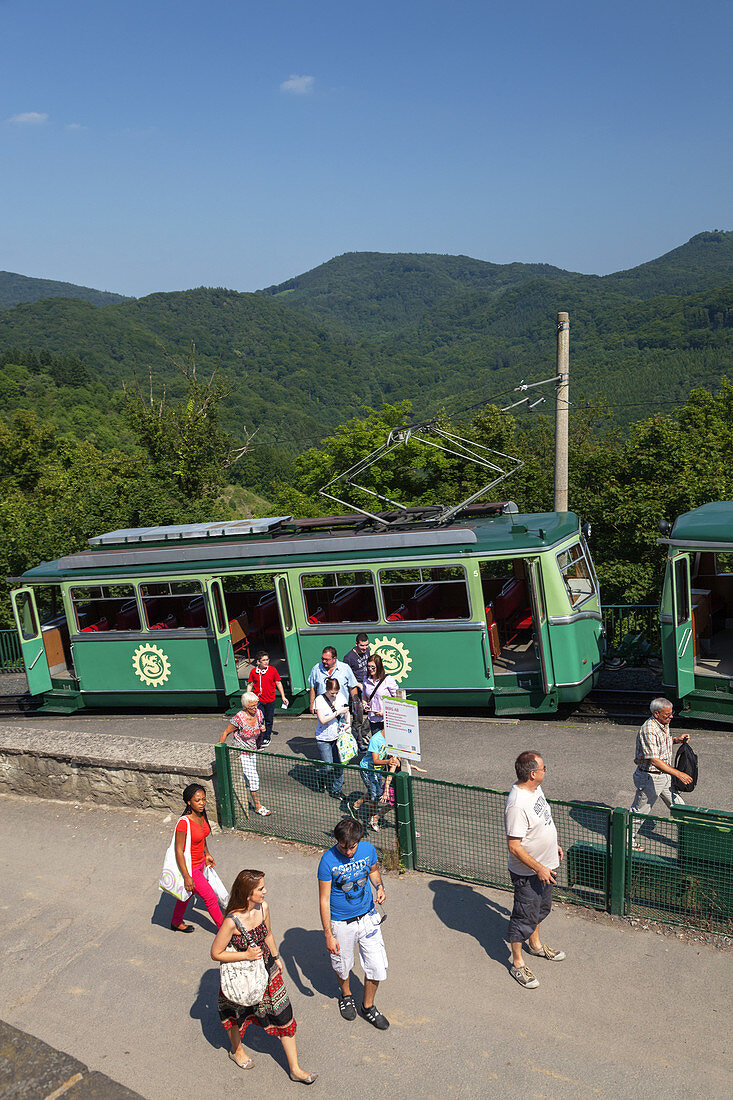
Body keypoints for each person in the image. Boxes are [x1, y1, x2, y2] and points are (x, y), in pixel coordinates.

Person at [211, 869, 316, 1083]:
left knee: (283, 1013)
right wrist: (246, 955)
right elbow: (216, 953)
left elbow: (267, 934)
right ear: (247, 893)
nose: (265, 891)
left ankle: (295, 1069)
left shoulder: (263, 908)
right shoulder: (232, 921)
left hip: (267, 970)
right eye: (261, 889)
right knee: (235, 1014)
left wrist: (276, 956)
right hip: (240, 977)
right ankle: (236, 1050)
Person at [317, 817, 390, 1030]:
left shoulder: (368, 850)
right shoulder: (328, 860)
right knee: (343, 965)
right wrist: (328, 934)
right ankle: (346, 994)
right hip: (341, 923)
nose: (348, 852)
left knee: (376, 966)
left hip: (368, 917)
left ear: (359, 840)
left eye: (352, 847)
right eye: (343, 846)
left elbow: (374, 872)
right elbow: (324, 898)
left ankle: (368, 1007)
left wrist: (380, 887)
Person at [505, 752, 565, 989]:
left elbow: (543, 820)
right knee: (523, 917)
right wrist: (538, 867)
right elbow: (514, 846)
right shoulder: (517, 804)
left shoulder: (535, 790)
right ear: (533, 774)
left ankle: (536, 945)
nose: (545, 770)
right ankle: (517, 963)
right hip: (529, 873)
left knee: (542, 908)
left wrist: (553, 845)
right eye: (543, 768)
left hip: (545, 865)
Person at [630, 697, 692, 851]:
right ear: (656, 714)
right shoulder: (648, 729)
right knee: (640, 813)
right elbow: (655, 760)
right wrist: (679, 774)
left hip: (663, 775)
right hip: (650, 777)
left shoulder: (663, 723)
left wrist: (677, 740)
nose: (671, 717)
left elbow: (662, 742)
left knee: (680, 807)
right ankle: (625, 840)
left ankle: (688, 841)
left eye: (672, 714)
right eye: (667, 715)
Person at [170, 783, 224, 933]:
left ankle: (175, 921)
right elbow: (179, 851)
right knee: (211, 898)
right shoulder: (183, 823)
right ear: (189, 802)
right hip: (191, 867)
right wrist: (187, 876)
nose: (202, 803)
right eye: (197, 800)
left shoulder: (201, 815)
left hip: (201, 863)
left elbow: (202, 838)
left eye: (204, 800)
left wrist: (207, 854)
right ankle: (224, 932)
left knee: (188, 894)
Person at [219, 692, 272, 816]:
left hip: (252, 751)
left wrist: (262, 729)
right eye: (251, 707)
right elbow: (225, 732)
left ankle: (236, 796)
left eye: (256, 705)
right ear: (245, 707)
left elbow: (260, 726)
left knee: (244, 778)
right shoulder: (239, 718)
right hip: (239, 753)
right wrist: (220, 750)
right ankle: (258, 806)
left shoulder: (259, 713)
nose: (255, 708)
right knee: (254, 779)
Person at [352, 725, 401, 833]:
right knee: (375, 796)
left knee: (374, 792)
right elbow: (375, 760)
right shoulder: (376, 740)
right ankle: (371, 818)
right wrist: (388, 762)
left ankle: (356, 805)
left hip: (378, 770)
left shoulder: (389, 739)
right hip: (368, 770)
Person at [313, 676, 350, 800]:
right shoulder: (320, 699)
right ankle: (321, 777)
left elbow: (347, 711)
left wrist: (348, 723)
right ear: (327, 689)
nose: (334, 695)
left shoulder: (341, 697)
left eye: (336, 692)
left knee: (339, 764)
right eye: (332, 693)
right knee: (328, 766)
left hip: (337, 736)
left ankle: (336, 790)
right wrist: (337, 712)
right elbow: (322, 720)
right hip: (323, 737)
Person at [248, 650, 289, 747]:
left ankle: (267, 737)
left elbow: (278, 683)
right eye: (264, 660)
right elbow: (250, 684)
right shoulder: (254, 672)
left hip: (270, 700)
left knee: (269, 719)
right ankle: (260, 737)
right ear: (258, 662)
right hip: (258, 701)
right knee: (259, 719)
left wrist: (283, 696)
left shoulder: (273, 670)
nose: (266, 662)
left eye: (267, 660)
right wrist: (247, 696)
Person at [308, 646, 358, 715]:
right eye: (322, 659)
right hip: (323, 711)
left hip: (341, 711)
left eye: (326, 659)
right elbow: (312, 687)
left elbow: (352, 687)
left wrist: (355, 703)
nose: (323, 661)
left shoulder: (345, 668)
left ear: (334, 659)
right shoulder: (316, 668)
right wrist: (312, 704)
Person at [343, 633, 371, 750]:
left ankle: (363, 734)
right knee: (358, 718)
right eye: (362, 646)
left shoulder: (367, 651)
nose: (365, 648)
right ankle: (359, 742)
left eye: (366, 645)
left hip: (368, 689)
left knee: (373, 713)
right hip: (356, 692)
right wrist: (357, 684)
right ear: (356, 644)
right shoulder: (349, 658)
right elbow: (346, 676)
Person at [362, 653, 398, 735]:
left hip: (387, 719)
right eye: (368, 666)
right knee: (377, 744)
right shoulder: (366, 680)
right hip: (373, 718)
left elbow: (398, 699)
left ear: (379, 667)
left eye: (373, 667)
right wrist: (364, 704)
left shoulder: (388, 680)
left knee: (388, 745)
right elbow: (364, 695)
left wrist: (385, 711)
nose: (370, 669)